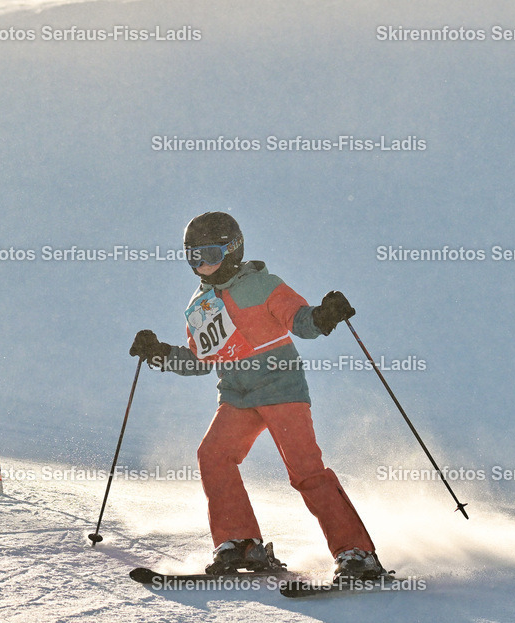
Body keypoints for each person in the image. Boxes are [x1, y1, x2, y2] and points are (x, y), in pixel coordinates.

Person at [130, 211, 385, 579]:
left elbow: (301, 322)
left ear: (232, 251)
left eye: (210, 256)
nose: (202, 267)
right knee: (213, 455)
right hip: (237, 395)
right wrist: (161, 354)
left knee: (305, 471)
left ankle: (357, 554)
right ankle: (242, 545)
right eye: (193, 258)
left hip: (281, 388)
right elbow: (203, 361)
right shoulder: (199, 307)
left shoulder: (264, 285)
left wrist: (324, 316)